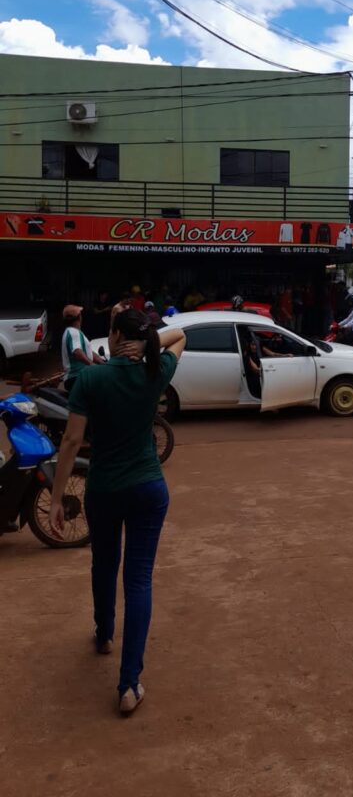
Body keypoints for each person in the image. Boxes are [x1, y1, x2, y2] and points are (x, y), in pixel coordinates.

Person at [49, 303, 186, 715]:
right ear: (142, 340)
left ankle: (105, 633)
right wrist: (145, 346)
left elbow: (71, 443)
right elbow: (181, 337)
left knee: (104, 565)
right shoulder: (154, 371)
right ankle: (129, 686)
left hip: (105, 489)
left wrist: (56, 498)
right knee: (139, 581)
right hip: (148, 488)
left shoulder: (90, 377)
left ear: (113, 338)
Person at [61, 304, 105, 393]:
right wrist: (92, 365)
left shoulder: (73, 332)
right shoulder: (73, 333)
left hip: (79, 376)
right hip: (78, 376)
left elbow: (88, 352)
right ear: (79, 317)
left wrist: (102, 362)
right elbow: (77, 352)